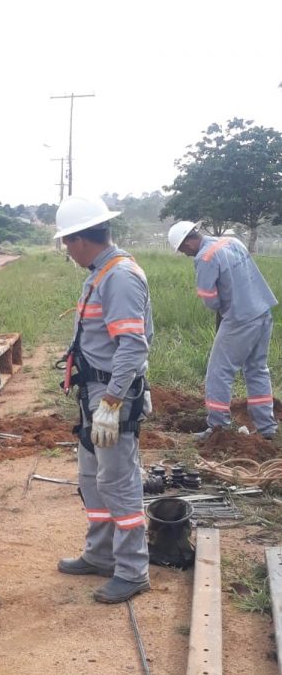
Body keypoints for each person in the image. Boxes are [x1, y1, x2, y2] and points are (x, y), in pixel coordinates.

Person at [55, 197, 153, 604]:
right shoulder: (101, 272)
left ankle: (132, 571)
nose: (66, 250)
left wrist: (112, 403)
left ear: (79, 241)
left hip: (114, 394)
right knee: (92, 478)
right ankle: (100, 555)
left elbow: (132, 346)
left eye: (66, 243)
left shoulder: (120, 277)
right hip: (93, 392)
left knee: (118, 480)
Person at [167, 221, 278, 440]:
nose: (185, 254)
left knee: (219, 371)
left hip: (240, 319)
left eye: (183, 250)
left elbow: (211, 301)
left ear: (188, 242)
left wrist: (222, 305)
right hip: (263, 311)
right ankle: (267, 428)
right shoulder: (232, 241)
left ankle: (218, 429)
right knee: (257, 369)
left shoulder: (205, 257)